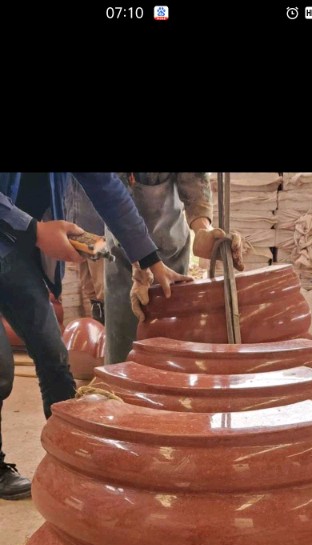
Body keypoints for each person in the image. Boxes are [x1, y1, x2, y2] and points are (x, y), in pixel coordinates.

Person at [0, 172, 192, 500]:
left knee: (53, 355)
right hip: (19, 233)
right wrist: (36, 230)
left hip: (15, 251)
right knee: (1, 371)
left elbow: (106, 188)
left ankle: (71, 457)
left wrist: (149, 259)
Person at [104, 173, 244, 364]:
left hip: (171, 243)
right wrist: (140, 266)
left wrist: (203, 229)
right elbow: (112, 197)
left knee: (171, 342)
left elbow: (193, 177)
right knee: (126, 345)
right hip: (125, 254)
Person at [64, 175, 106, 323]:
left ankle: (112, 332)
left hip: (100, 229)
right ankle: (101, 328)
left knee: (104, 289)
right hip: (77, 227)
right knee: (89, 288)